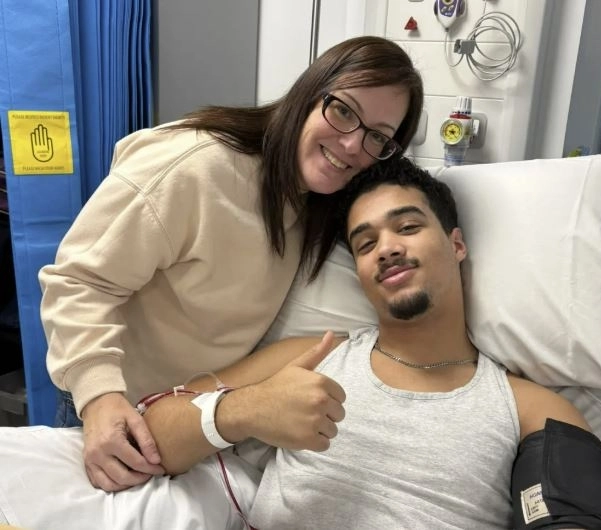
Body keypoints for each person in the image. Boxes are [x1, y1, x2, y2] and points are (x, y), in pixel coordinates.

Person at [0, 156, 601, 529]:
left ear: (456, 245)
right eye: (366, 243)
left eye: (407, 227)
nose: (387, 248)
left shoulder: (531, 407)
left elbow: (571, 516)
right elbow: (151, 434)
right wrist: (242, 410)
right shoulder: (315, 356)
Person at [38, 35, 424, 491]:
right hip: (116, 410)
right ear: (308, 93)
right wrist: (99, 397)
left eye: (378, 136)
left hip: (188, 428)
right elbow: (78, 281)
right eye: (342, 111)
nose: (352, 144)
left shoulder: (314, 203)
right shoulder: (196, 168)